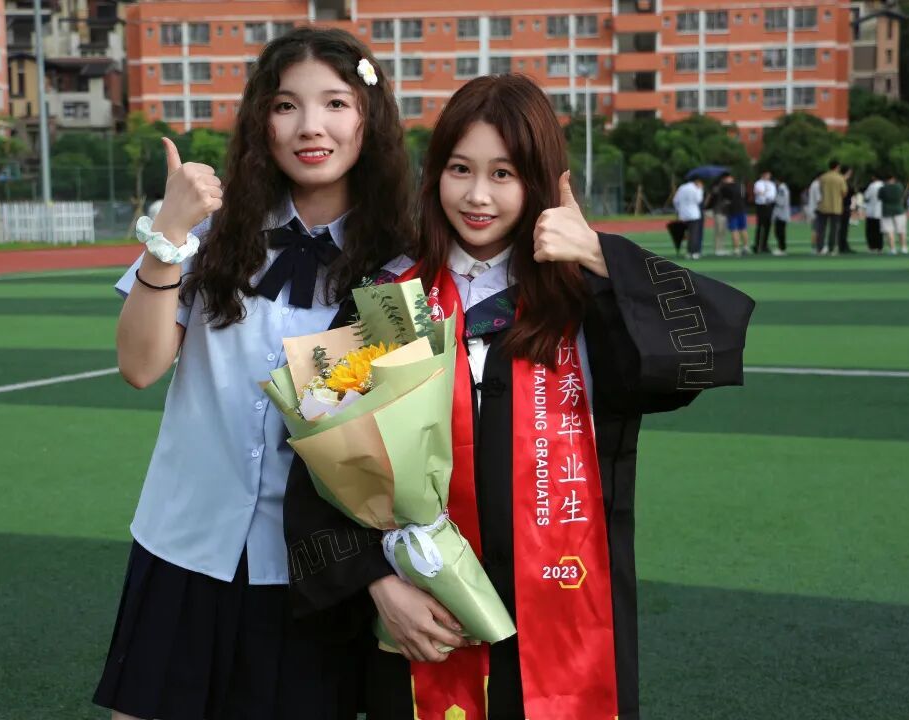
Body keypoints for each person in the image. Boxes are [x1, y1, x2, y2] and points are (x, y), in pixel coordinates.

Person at [285, 74, 755, 720]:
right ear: (435, 175)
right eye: (460, 169)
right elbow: (320, 470)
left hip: (564, 619)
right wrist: (376, 583)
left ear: (538, 183)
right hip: (423, 624)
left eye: (503, 174)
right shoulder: (389, 299)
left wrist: (599, 255)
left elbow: (707, 344)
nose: (477, 196)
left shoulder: (585, 301)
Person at [92, 28, 414, 720]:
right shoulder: (211, 233)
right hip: (186, 542)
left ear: (370, 119)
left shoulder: (400, 264)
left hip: (313, 566)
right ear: (261, 120)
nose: (311, 126)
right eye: (286, 105)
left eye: (336, 103)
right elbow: (139, 366)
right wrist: (167, 235)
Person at [817, 159, 847, 256]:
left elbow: (820, 190)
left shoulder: (823, 177)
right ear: (837, 167)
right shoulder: (840, 178)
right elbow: (844, 192)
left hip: (824, 205)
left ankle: (820, 248)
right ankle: (831, 248)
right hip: (836, 206)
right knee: (834, 229)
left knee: (821, 228)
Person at [672, 177, 705, 259]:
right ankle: (693, 252)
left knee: (687, 234)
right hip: (694, 214)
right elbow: (699, 200)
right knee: (694, 234)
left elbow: (675, 200)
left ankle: (688, 252)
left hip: (683, 214)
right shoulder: (695, 188)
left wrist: (679, 210)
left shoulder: (682, 188)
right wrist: (700, 190)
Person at [718, 173, 750, 255]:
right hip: (742, 209)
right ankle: (746, 247)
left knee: (734, 230)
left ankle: (736, 249)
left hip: (732, 211)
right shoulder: (740, 186)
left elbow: (724, 200)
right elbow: (745, 196)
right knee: (743, 229)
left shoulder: (724, 188)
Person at [879, 172, 909, 255]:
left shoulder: (883, 188)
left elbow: (880, 197)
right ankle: (904, 247)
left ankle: (892, 249)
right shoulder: (899, 186)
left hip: (886, 210)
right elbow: (902, 196)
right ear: (893, 179)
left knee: (889, 231)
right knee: (901, 230)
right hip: (899, 210)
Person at [752, 169, 777, 254]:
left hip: (769, 205)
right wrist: (765, 194)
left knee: (767, 226)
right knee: (760, 226)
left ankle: (764, 245)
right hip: (761, 205)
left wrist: (766, 194)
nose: (768, 176)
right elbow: (760, 193)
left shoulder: (771, 184)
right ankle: (757, 245)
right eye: (767, 174)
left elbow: (772, 194)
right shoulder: (758, 183)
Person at [863, 172, 884, 253]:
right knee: (879, 231)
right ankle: (879, 247)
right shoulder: (883, 185)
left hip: (871, 211)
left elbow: (866, 196)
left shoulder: (872, 186)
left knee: (871, 231)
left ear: (874, 177)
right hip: (880, 211)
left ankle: (872, 246)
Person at [837, 166, 856, 253]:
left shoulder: (841, 181)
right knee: (843, 227)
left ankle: (842, 245)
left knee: (842, 227)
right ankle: (843, 246)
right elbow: (850, 192)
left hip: (842, 206)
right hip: (843, 206)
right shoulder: (843, 181)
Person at [772, 176, 790, 256]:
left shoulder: (781, 189)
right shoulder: (783, 188)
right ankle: (781, 247)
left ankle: (782, 248)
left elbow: (781, 202)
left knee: (780, 232)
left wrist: (774, 200)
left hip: (781, 214)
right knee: (779, 232)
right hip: (781, 213)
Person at [806, 173, 823, 252]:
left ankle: (814, 247)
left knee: (815, 229)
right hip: (816, 210)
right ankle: (816, 247)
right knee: (816, 230)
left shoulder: (813, 184)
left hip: (812, 209)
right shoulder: (816, 185)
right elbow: (819, 199)